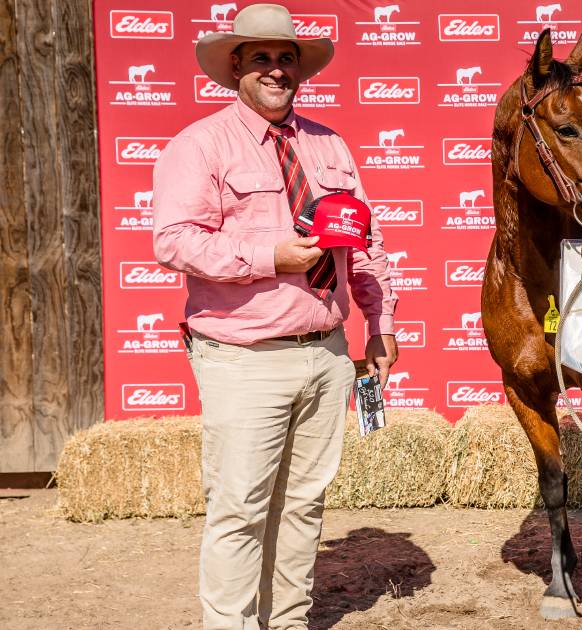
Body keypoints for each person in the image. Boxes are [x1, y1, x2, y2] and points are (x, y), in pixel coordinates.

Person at [152, 4, 396, 628]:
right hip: (244, 356)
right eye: (262, 58)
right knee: (239, 508)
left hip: (328, 350)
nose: (277, 70)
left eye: (287, 58)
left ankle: (288, 622)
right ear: (236, 66)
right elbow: (174, 241)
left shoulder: (329, 144)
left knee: (304, 506)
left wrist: (381, 324)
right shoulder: (200, 144)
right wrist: (270, 255)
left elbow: (366, 245)